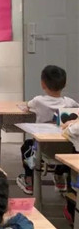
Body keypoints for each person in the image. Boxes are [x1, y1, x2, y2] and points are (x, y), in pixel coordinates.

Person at [17, 65, 77, 195]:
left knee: (26, 147)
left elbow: (27, 106)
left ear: (42, 84)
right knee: (68, 152)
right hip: (65, 148)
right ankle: (60, 178)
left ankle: (29, 181)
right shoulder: (69, 102)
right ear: (65, 84)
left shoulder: (38, 101)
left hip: (42, 148)